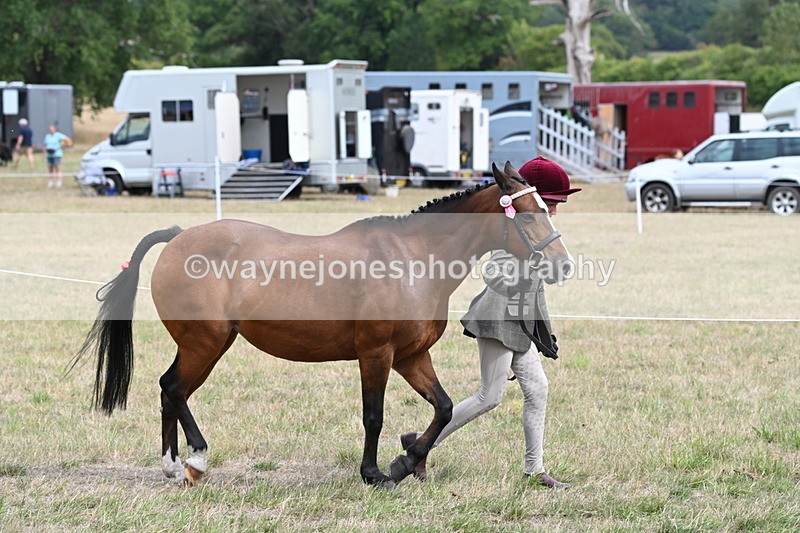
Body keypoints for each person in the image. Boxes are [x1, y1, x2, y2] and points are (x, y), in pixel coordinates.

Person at [401, 156, 581, 488]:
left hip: (520, 326)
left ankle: (534, 470)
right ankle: (421, 444)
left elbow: (543, 283)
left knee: (538, 389)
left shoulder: (537, 227)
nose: (555, 209)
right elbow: (496, 273)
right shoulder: (511, 230)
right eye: (554, 202)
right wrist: (537, 267)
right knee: (489, 396)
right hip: (497, 319)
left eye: (557, 204)